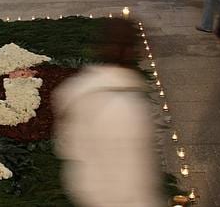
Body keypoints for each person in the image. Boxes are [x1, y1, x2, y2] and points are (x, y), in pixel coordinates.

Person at [53, 19, 161, 206]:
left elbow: (65, 146)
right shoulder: (127, 107)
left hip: (84, 189)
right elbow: (134, 177)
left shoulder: (74, 88)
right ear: (131, 52)